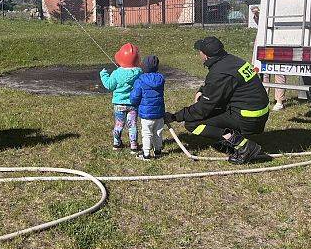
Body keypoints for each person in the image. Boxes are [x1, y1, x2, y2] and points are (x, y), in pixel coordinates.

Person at [164, 36, 270, 164]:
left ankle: (244, 146)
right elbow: (222, 86)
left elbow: (203, 109)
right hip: (256, 112)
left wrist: (176, 117)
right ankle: (231, 140)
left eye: (200, 52)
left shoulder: (220, 73)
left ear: (206, 56)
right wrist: (202, 90)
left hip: (248, 118)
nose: (199, 54)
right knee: (212, 111)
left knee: (193, 123)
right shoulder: (232, 61)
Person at [100, 43, 143, 154]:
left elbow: (109, 85)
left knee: (119, 124)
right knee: (132, 124)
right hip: (133, 104)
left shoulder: (116, 73)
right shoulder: (139, 72)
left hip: (119, 105)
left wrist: (103, 75)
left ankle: (116, 143)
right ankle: (134, 145)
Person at [130, 55, 165, 160]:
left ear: (143, 67)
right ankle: (158, 151)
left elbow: (135, 97)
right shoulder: (161, 80)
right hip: (159, 113)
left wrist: (133, 101)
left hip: (146, 114)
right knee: (158, 132)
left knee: (146, 133)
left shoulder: (140, 81)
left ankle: (146, 154)